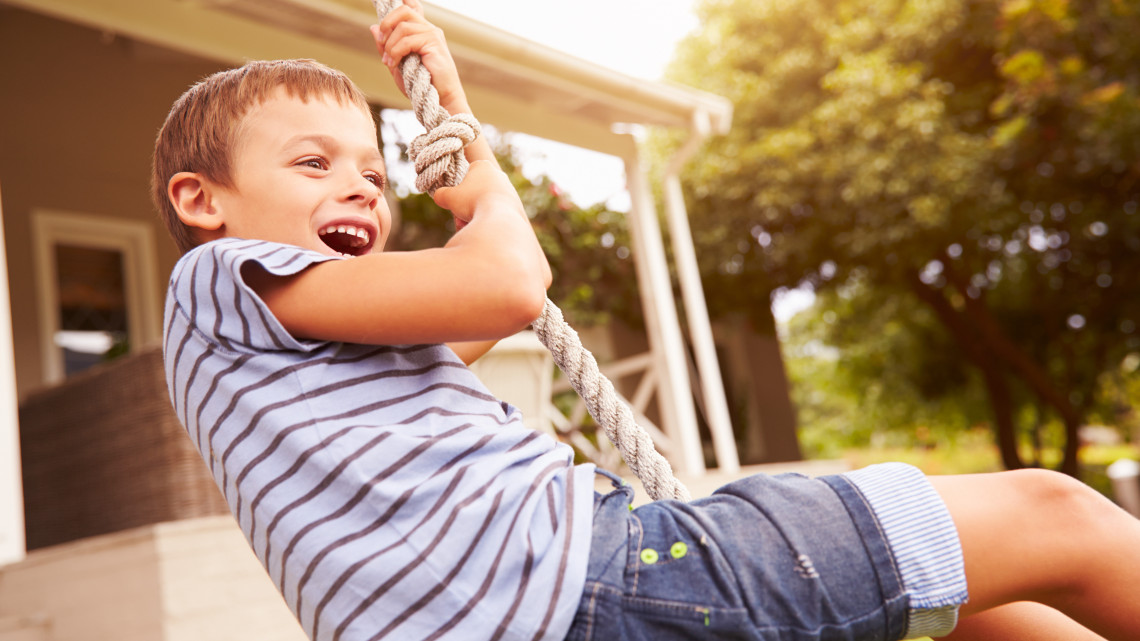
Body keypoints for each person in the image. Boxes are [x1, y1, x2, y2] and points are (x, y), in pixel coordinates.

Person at [152, 2, 1140, 639]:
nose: (364, 189)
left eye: (374, 169)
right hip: (589, 588)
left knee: (976, 604)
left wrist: (452, 113)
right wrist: (481, 168)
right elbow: (507, 281)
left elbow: (474, 306)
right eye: (314, 164)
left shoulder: (300, 365)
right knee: (1056, 516)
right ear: (202, 201)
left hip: (547, 608)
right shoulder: (225, 279)